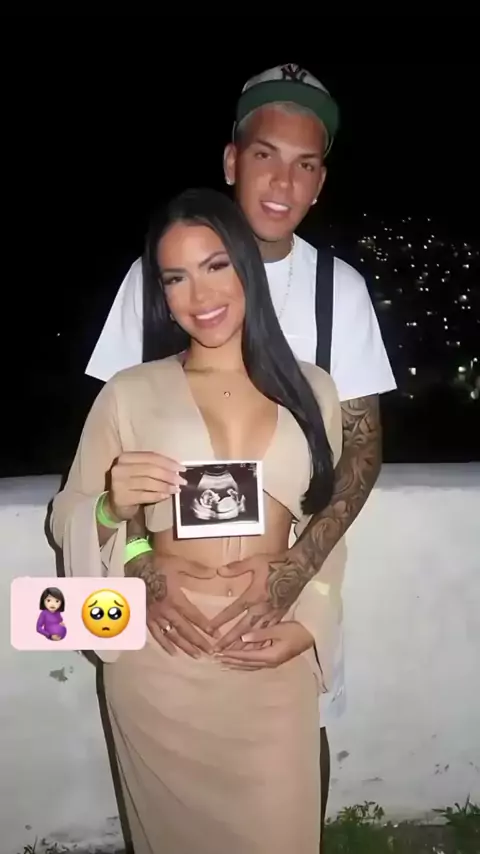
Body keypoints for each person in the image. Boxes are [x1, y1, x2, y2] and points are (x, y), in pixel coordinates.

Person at [85, 64, 396, 835]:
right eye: (265, 155)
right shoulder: (145, 296)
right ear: (232, 159)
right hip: (163, 646)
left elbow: (354, 463)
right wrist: (135, 567)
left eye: (306, 163)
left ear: (321, 180)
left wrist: (300, 586)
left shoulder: (336, 298)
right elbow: (100, 479)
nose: (283, 181)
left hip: (272, 618)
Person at [51, 188, 344, 853]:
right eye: (175, 278)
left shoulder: (313, 390)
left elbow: (327, 523)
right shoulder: (130, 391)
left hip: (268, 645)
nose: (198, 295)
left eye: (215, 265)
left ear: (246, 265)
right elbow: (70, 511)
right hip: (162, 657)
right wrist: (114, 515)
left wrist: (309, 620)